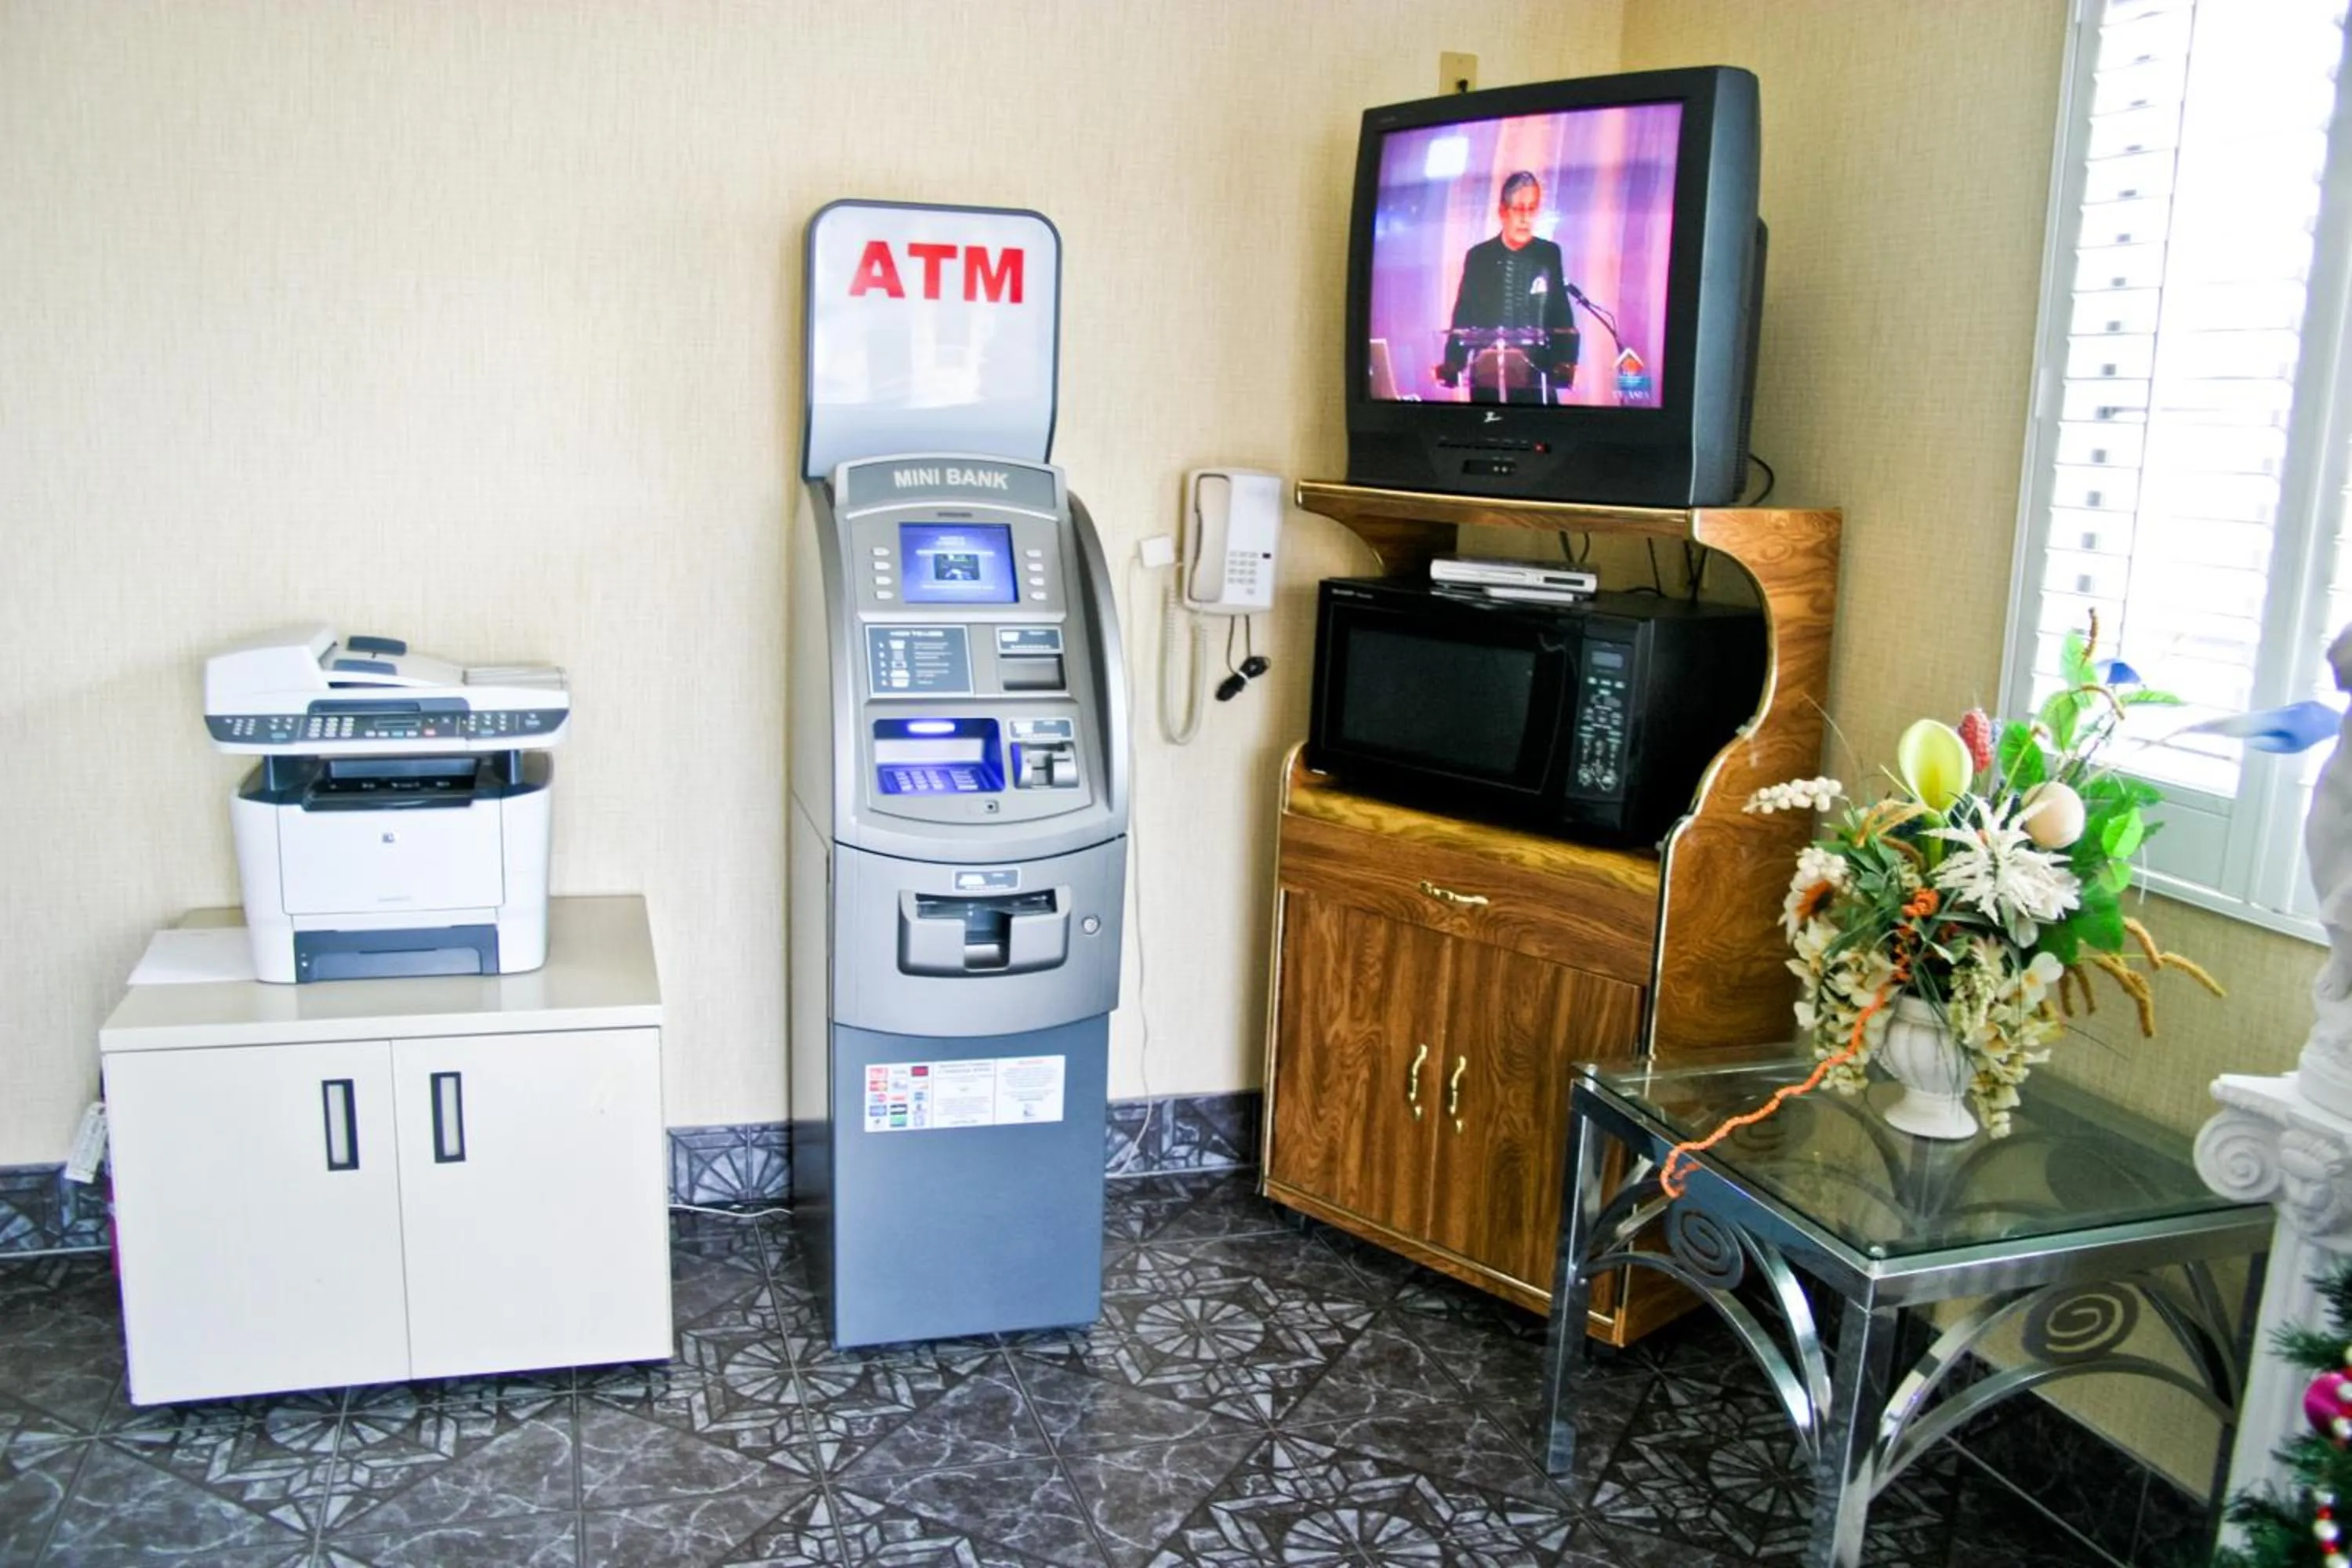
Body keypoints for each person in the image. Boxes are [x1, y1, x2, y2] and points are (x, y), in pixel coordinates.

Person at [1433, 171, 1579, 403]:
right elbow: (1463, 315)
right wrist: (1453, 365)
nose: (1525, 218)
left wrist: (1566, 363)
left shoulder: (1548, 254)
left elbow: (1561, 314)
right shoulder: (1479, 257)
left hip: (1537, 377)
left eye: (1532, 209)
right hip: (1488, 378)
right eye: (1518, 209)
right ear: (1503, 211)